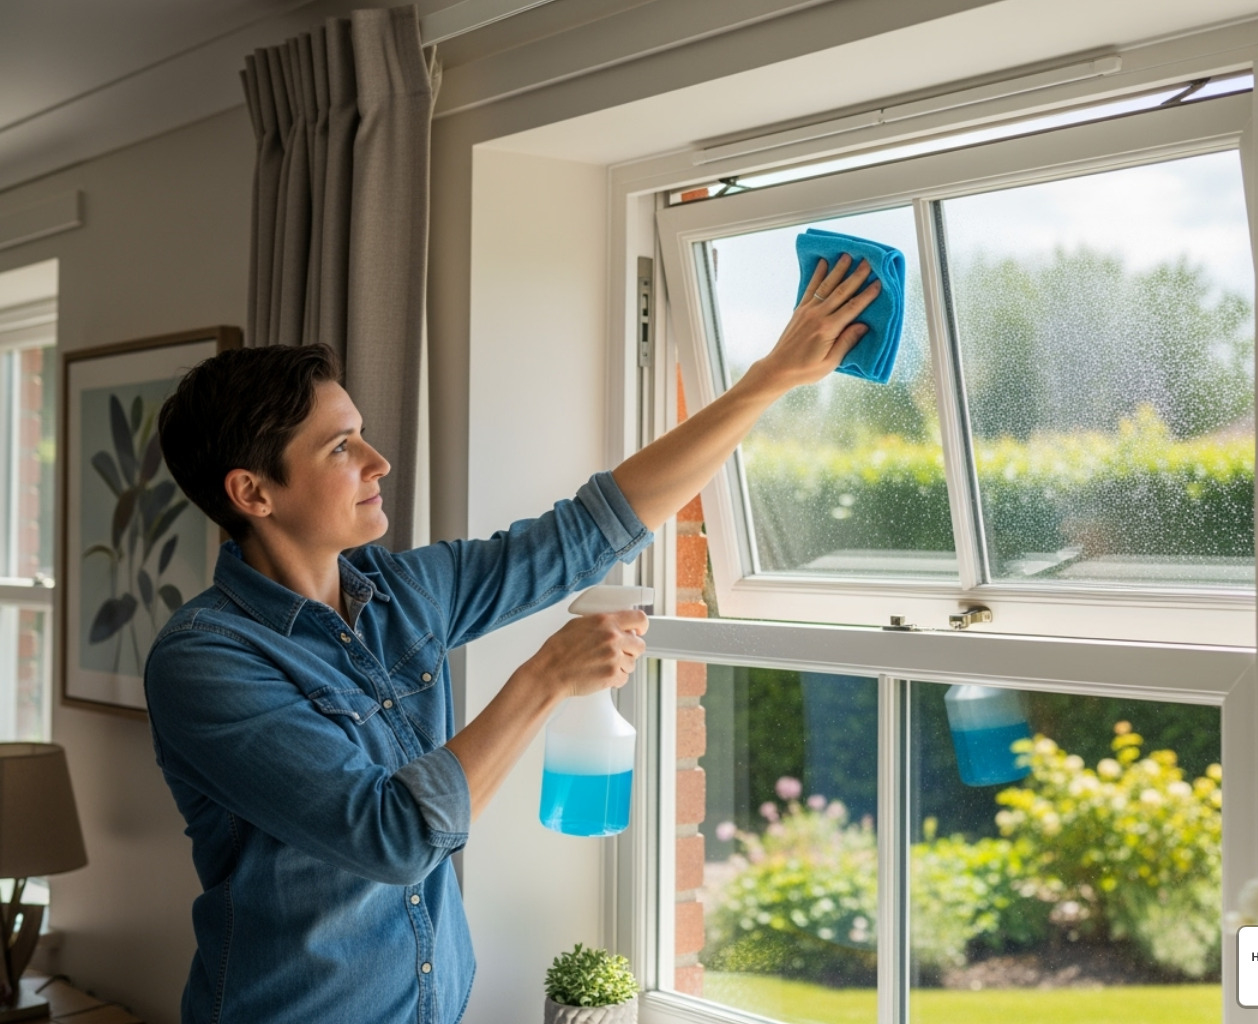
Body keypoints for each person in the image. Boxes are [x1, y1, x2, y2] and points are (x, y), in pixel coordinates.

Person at [143, 255, 879, 1024]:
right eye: (340, 449)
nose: (377, 462)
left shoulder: (404, 595)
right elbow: (390, 839)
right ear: (253, 492)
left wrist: (769, 380)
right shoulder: (207, 660)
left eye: (360, 436)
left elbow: (590, 530)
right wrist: (544, 680)